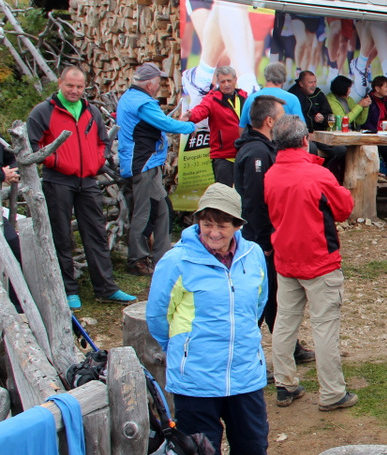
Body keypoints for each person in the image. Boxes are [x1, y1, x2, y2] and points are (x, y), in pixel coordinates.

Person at [145, 183, 282, 455]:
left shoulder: (253, 257)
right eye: (207, 223)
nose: (214, 232)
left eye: (222, 224)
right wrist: (185, 349)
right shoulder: (177, 260)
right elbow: (158, 316)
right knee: (201, 451)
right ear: (198, 223)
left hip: (245, 375)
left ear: (237, 225)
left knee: (252, 444)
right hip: (196, 378)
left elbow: (258, 304)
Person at [264, 115, 357, 412]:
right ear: (306, 140)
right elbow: (343, 209)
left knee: (284, 324)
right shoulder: (317, 175)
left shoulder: (271, 174)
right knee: (325, 327)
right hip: (319, 260)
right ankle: (332, 393)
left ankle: (285, 384)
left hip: (286, 260)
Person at [27, 66, 136, 308]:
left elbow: (102, 141)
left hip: (88, 180)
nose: (75, 90)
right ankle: (68, 289)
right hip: (58, 180)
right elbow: (32, 145)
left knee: (96, 232)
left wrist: (97, 161)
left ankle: (106, 288)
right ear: (60, 84)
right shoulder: (43, 112)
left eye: (79, 86)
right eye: (70, 86)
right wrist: (55, 161)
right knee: (61, 235)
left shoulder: (92, 111)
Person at [233, 96, 315, 367]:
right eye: (281, 116)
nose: (283, 120)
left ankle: (290, 347)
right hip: (258, 239)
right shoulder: (257, 153)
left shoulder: (260, 148)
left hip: (262, 237)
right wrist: (265, 238)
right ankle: (245, 357)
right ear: (269, 121)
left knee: (271, 296)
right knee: (259, 298)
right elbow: (254, 201)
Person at [116, 61, 197, 275]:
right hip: (143, 164)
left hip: (146, 163)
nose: (160, 84)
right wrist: (191, 126)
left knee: (162, 208)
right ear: (150, 83)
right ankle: (137, 260)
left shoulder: (129, 97)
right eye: (159, 81)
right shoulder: (143, 103)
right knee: (144, 212)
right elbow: (167, 125)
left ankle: (162, 257)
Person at [186, 65, 247, 186]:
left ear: (235, 80)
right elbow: (201, 110)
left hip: (243, 153)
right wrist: (190, 115)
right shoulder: (212, 99)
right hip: (223, 156)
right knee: (223, 195)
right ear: (218, 82)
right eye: (223, 81)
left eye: (229, 80)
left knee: (244, 193)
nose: (226, 84)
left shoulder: (244, 96)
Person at [238, 62, 303, 128]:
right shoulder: (292, 99)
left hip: (255, 137)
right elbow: (301, 128)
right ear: (284, 79)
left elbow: (242, 127)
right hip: (283, 137)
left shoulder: (251, 98)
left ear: (265, 77)